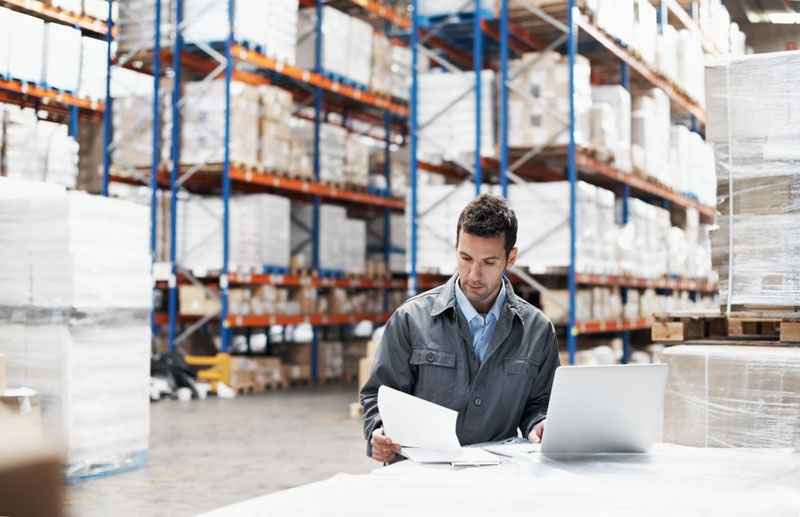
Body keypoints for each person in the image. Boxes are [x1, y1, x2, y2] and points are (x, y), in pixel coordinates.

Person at [360, 193, 561, 463]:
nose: (474, 274)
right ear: (456, 246)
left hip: (497, 477)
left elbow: (539, 405)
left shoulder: (538, 331)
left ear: (510, 258)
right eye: (466, 258)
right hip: (419, 478)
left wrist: (540, 425)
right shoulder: (410, 319)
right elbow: (379, 394)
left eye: (489, 262)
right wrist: (378, 431)